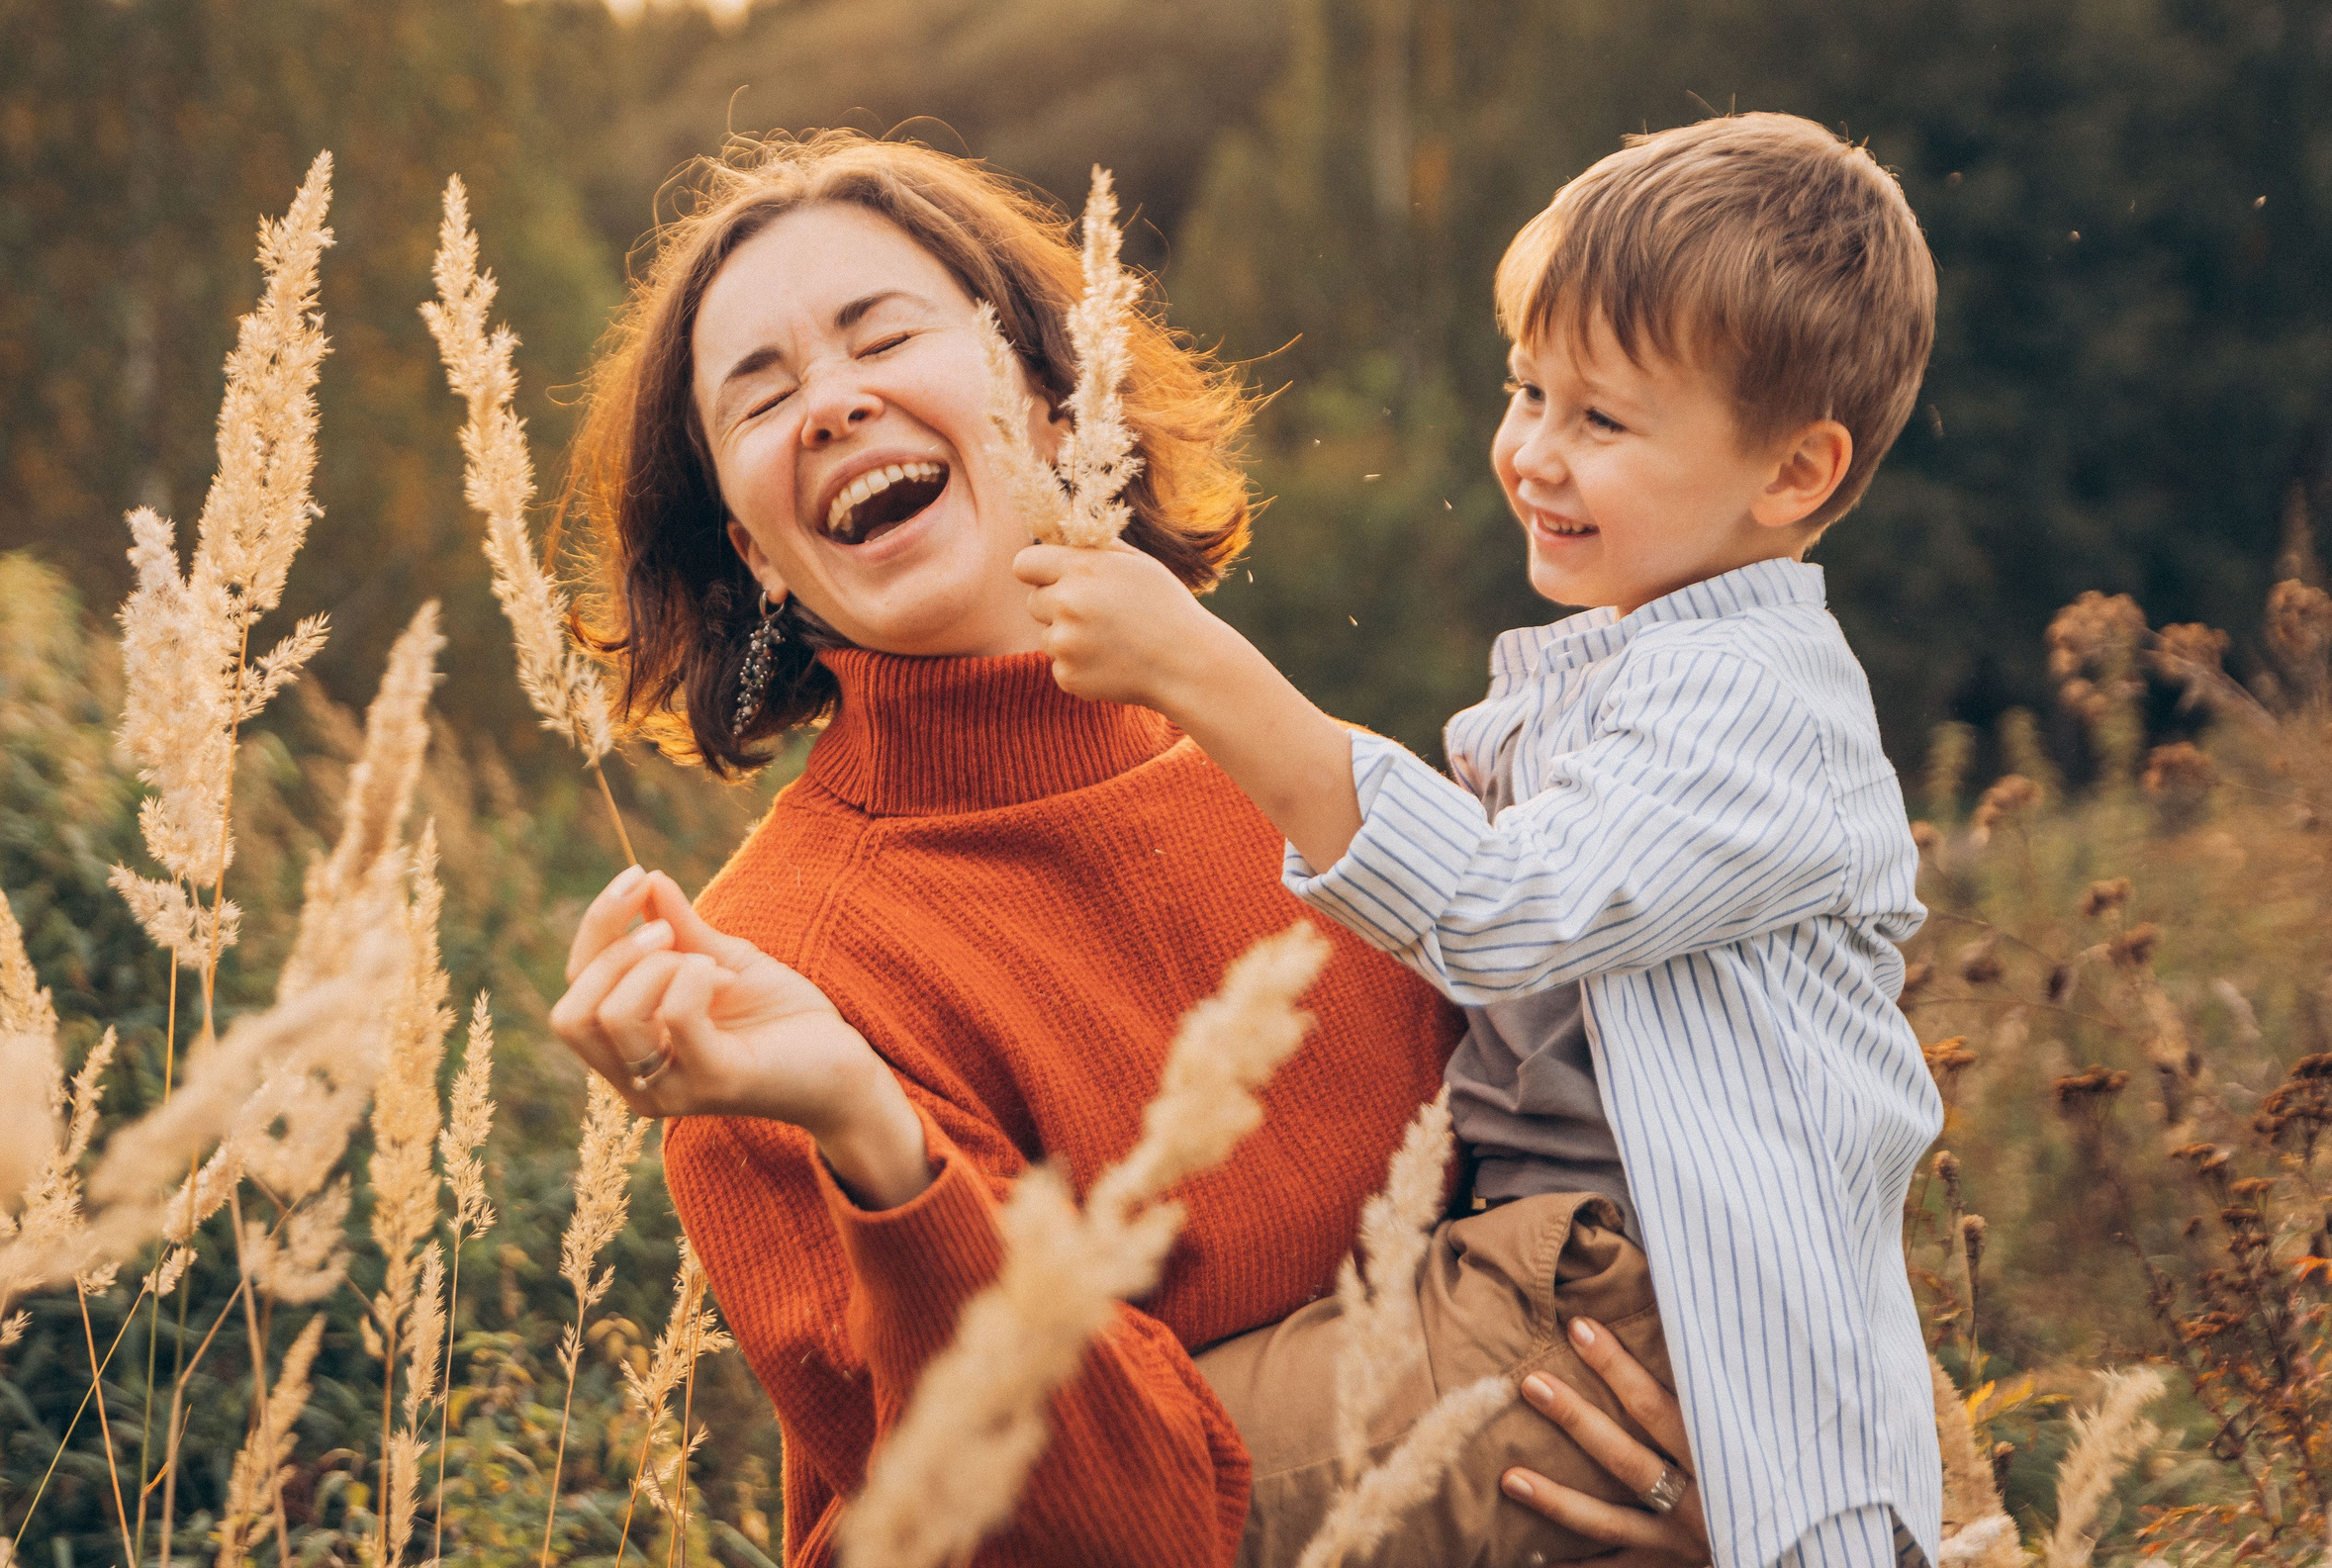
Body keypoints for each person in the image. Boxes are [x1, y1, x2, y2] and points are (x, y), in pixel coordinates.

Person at [546, 134, 1714, 1567]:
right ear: (760, 555)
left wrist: (1687, 1467)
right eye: (764, 393)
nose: (835, 403)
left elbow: (1586, 1204)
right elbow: (1087, 1528)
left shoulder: (1303, 787)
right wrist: (871, 1126)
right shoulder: (766, 990)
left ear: (1048, 404)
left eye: (882, 334)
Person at [1019, 112, 1948, 1568]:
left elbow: (1503, 908)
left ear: (1794, 474)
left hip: (1621, 1301)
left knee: (1113, 1486)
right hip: (1539, 1271)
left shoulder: (1750, 705)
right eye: (1526, 391)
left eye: (1603, 421)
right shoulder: (1642, 668)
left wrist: (1199, 669)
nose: (1531, 452)